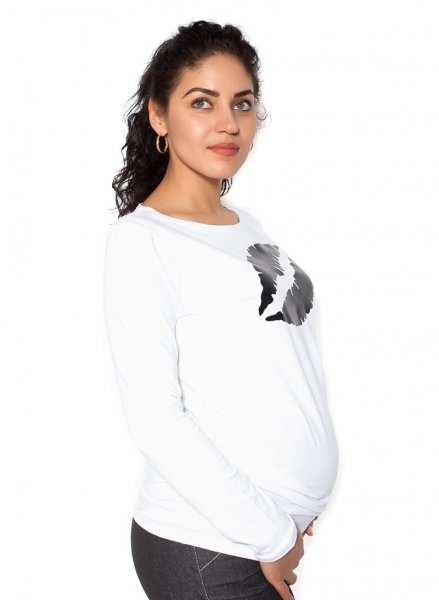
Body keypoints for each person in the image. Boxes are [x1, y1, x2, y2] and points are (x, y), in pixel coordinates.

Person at [103, 19, 339, 600]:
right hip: (208, 545)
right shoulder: (144, 241)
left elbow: (279, 375)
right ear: (159, 116)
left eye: (243, 103)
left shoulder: (246, 225)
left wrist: (295, 506)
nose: (229, 122)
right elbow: (155, 420)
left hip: (260, 533)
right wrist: (273, 536)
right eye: (202, 102)